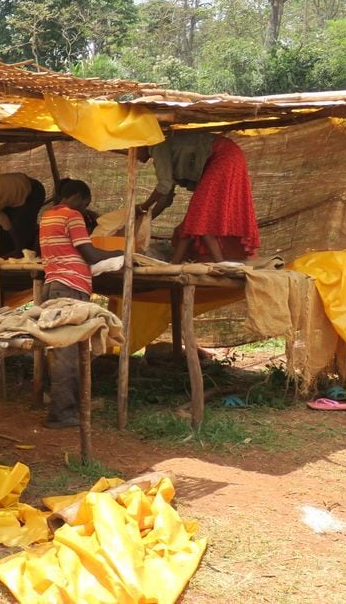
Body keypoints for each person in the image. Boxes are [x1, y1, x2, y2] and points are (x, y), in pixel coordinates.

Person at [38, 178, 123, 429]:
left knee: (61, 349)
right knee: (68, 352)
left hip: (54, 284)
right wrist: (120, 253)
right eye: (86, 204)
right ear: (79, 197)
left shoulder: (47, 216)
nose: (85, 209)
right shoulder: (72, 216)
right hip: (70, 287)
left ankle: (67, 406)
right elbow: (90, 254)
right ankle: (61, 413)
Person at [137, 131, 259, 263]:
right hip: (230, 156)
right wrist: (145, 219)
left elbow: (164, 186)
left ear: (141, 144)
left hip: (223, 156)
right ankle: (178, 262)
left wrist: (143, 207)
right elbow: (165, 198)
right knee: (195, 218)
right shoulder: (162, 150)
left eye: (131, 150)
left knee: (198, 217)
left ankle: (219, 265)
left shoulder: (157, 146)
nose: (133, 157)